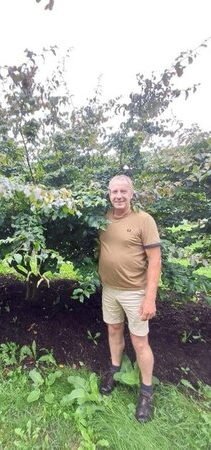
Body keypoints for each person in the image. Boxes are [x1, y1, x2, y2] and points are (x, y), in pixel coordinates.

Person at [98, 175, 161, 423]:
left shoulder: (143, 220)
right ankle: (115, 369)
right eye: (114, 192)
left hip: (136, 291)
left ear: (131, 193)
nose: (119, 196)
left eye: (123, 191)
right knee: (114, 329)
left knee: (139, 341)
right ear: (109, 194)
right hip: (109, 289)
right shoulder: (102, 219)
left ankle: (146, 391)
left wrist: (150, 298)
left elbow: (155, 261)